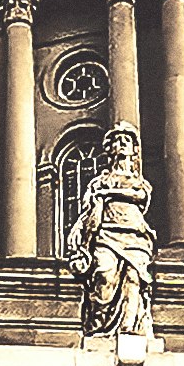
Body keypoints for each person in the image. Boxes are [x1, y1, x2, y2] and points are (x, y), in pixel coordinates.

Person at [67, 125, 157, 341]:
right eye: (118, 140)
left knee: (134, 278)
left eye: (128, 140)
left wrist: (108, 193)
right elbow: (90, 208)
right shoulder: (98, 181)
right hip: (106, 234)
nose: (123, 143)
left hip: (135, 235)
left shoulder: (139, 182)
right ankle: (100, 328)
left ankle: (129, 329)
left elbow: (139, 196)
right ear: (110, 148)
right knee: (104, 277)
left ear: (134, 149)